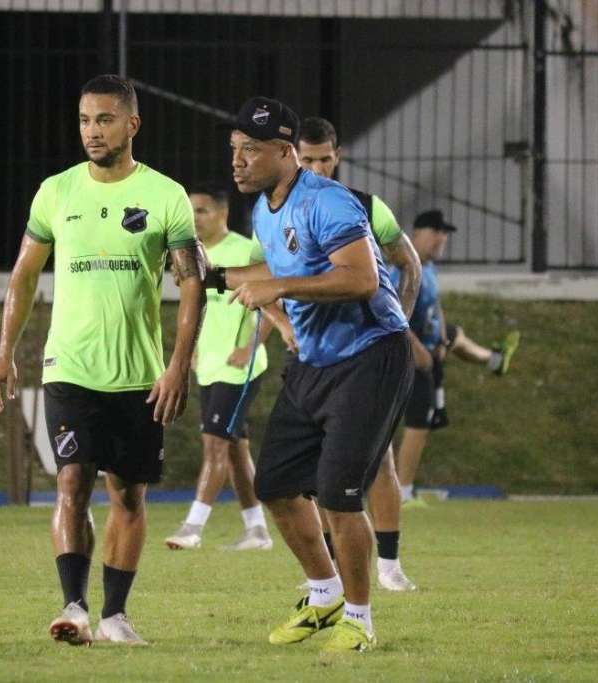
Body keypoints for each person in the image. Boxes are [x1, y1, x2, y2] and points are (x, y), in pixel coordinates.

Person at [0, 74, 205, 647]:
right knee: (72, 480)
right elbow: (23, 276)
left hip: (137, 374)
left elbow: (191, 285)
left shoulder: (165, 196)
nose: (92, 131)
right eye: (84, 120)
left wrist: (178, 365)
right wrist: (4, 353)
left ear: (132, 125)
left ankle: (115, 615)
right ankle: (74, 606)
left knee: (128, 495)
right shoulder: (55, 192)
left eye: (104, 119)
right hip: (70, 366)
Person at [206, 96, 414, 653]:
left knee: (339, 496)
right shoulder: (264, 209)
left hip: (370, 356)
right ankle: (325, 595)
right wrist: (214, 275)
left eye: (251, 150)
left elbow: (362, 279)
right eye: (234, 149)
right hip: (315, 362)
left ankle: (360, 620)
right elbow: (278, 267)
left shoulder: (327, 200)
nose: (238, 160)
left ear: (284, 151)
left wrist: (277, 288)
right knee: (274, 485)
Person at [297, 116, 421, 592]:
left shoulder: (365, 207)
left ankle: (389, 565)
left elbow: (409, 263)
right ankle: (330, 570)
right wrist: (286, 327)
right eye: (307, 160)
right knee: (318, 461)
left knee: (380, 457)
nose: (317, 168)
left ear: (338, 156)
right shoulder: (282, 210)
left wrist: (399, 323)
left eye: (324, 159)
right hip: (316, 354)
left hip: (367, 353)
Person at [164, 184, 291, 552]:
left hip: (239, 368)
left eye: (202, 210)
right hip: (209, 365)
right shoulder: (192, 255)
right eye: (190, 211)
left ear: (223, 213)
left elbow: (272, 299)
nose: (195, 218)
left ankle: (193, 527)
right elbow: (193, 306)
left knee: (215, 443)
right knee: (234, 450)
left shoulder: (244, 250)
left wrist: (251, 345)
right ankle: (257, 530)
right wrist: (190, 350)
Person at [393, 209, 521, 503]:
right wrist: (419, 351)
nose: (442, 238)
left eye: (445, 233)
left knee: (454, 335)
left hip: (427, 347)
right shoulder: (402, 268)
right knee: (418, 422)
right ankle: (402, 494)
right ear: (417, 233)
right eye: (436, 232)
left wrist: (439, 338)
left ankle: (494, 360)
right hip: (405, 353)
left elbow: (434, 306)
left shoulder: (428, 268)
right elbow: (392, 316)